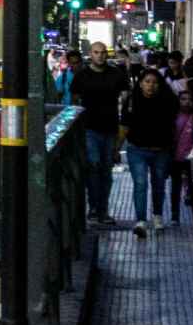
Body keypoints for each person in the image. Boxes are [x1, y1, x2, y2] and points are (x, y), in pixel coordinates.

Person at [70, 41, 132, 225]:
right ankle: (94, 207)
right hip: (89, 128)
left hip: (110, 128)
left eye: (103, 52)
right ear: (91, 54)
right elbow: (74, 99)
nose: (100, 56)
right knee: (94, 165)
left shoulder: (115, 74)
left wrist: (123, 112)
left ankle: (102, 209)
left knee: (106, 170)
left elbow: (126, 93)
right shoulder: (82, 75)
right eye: (97, 52)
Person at [120, 68, 178, 237]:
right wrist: (115, 148)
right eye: (147, 82)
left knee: (159, 185)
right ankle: (141, 221)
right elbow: (124, 126)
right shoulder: (132, 100)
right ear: (140, 84)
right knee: (140, 184)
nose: (150, 86)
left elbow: (174, 125)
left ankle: (158, 215)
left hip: (161, 150)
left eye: (154, 82)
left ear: (160, 85)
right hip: (137, 149)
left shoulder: (168, 100)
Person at [169, 89, 193, 233]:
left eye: (189, 99)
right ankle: (174, 215)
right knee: (175, 187)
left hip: (191, 159)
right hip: (176, 158)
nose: (186, 102)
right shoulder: (174, 118)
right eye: (183, 99)